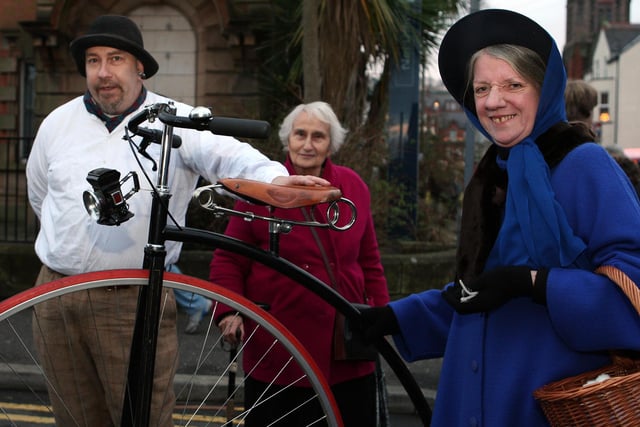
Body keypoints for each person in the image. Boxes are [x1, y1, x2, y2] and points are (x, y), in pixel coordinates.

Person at [25, 15, 328, 427]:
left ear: (140, 68)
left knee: (142, 417)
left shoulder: (175, 118)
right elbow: (41, 198)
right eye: (93, 61)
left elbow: (229, 156)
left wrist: (275, 180)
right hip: (55, 295)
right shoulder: (56, 124)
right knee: (74, 417)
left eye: (116, 59)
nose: (103, 73)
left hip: (133, 300)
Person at [359, 9, 640, 426]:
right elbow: (479, 295)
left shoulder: (584, 164)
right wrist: (394, 317)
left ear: (544, 91)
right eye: (482, 88)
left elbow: (631, 288)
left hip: (543, 403)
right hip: (467, 399)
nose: (493, 101)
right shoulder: (492, 172)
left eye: (513, 85)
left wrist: (535, 283)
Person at [209, 101, 390, 426]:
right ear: (288, 139)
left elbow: (369, 261)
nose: (308, 144)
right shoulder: (260, 187)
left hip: (346, 352)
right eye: (300, 134)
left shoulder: (352, 187)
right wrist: (229, 311)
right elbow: (229, 258)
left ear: (330, 143)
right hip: (277, 349)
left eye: (318, 136)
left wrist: (382, 316)